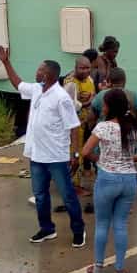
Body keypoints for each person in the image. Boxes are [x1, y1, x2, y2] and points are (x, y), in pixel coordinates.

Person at [0, 45, 85, 247]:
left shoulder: (61, 98)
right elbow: (17, 84)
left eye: (40, 70)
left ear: (50, 76)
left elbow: (74, 127)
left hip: (57, 158)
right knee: (41, 196)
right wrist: (5, 62)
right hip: (37, 156)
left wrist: (76, 154)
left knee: (68, 196)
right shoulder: (36, 90)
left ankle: (79, 230)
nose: (37, 72)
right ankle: (47, 229)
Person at [82, 88, 137, 273]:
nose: (103, 108)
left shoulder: (103, 127)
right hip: (129, 180)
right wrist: (133, 159)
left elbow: (85, 151)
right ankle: (120, 269)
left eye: (105, 104)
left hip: (107, 179)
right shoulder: (136, 127)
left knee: (102, 224)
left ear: (110, 107)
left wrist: (99, 160)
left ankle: (98, 267)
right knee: (121, 224)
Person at [63, 56, 96, 191]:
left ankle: (76, 179)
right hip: (74, 126)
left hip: (86, 123)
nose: (86, 71)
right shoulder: (70, 83)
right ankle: (72, 186)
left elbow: (93, 95)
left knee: (83, 153)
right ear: (76, 68)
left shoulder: (89, 79)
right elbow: (71, 106)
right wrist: (88, 102)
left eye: (88, 68)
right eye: (82, 68)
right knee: (74, 154)